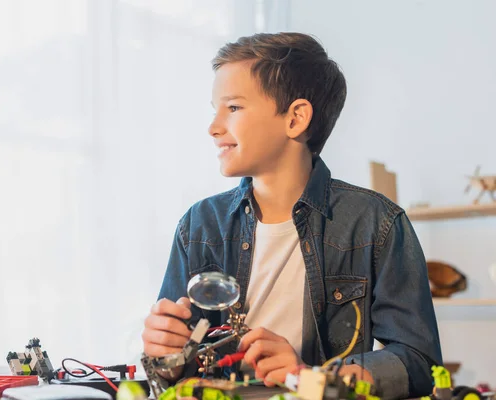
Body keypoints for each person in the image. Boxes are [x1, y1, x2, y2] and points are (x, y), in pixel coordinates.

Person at [141, 32, 442, 400]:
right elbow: (173, 373)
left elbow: (419, 363)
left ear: (296, 118)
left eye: (233, 108)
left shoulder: (377, 223)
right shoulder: (200, 225)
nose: (213, 126)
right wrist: (164, 350)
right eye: (215, 109)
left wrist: (312, 377)